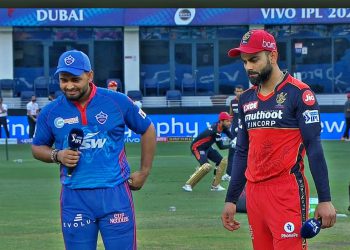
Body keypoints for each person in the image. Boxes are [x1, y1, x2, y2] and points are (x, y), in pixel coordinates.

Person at [221, 29, 336, 250]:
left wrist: (325, 199)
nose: (248, 67)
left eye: (254, 59)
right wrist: (231, 199)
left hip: (286, 192)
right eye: (245, 61)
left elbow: (314, 147)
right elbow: (242, 152)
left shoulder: (300, 94)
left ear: (272, 56)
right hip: (254, 195)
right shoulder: (245, 99)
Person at [31, 49, 156, 250]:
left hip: (115, 194)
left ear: (90, 76)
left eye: (75, 79)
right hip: (75, 197)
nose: (69, 86)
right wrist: (57, 155)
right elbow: (37, 148)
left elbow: (148, 129)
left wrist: (144, 171)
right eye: (64, 80)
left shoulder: (117, 101)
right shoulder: (50, 112)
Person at [182, 112, 236, 192]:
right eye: (227, 121)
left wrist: (235, 139)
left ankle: (215, 186)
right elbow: (221, 147)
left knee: (221, 161)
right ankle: (188, 185)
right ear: (221, 121)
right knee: (206, 166)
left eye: (230, 121)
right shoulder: (215, 131)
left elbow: (229, 134)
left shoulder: (221, 126)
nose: (229, 123)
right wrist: (231, 145)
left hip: (207, 147)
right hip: (197, 148)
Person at [222, 85, 244, 182]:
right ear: (235, 92)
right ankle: (228, 174)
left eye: (240, 91)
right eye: (237, 91)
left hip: (244, 131)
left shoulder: (247, 101)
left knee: (245, 151)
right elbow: (230, 116)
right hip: (233, 132)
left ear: (243, 91)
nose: (239, 93)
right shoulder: (232, 102)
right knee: (231, 152)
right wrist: (229, 126)